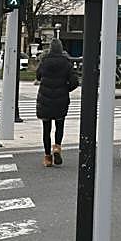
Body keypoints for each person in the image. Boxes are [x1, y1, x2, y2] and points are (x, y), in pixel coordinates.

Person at [35, 39, 78, 167]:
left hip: (45, 99)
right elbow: (75, 82)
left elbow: (38, 76)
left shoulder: (44, 61)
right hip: (60, 99)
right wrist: (66, 89)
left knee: (46, 129)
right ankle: (57, 147)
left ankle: (47, 157)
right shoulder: (66, 63)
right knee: (59, 126)